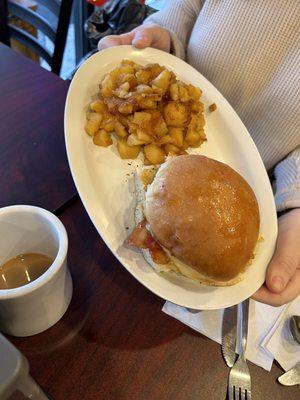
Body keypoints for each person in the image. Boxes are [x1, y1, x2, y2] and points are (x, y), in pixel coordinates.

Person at [98, 0, 300, 306]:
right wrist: (165, 34)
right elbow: (189, 6)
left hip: (267, 193)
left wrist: (296, 205)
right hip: (178, 114)